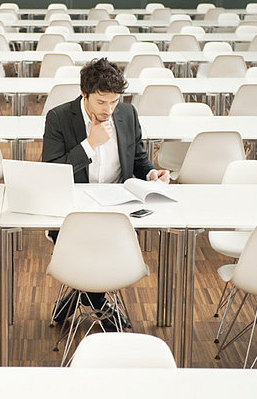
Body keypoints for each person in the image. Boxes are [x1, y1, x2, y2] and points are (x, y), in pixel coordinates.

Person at [42, 57, 170, 328]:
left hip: (117, 210)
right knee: (87, 250)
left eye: (114, 101)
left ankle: (81, 294)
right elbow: (51, 172)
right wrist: (89, 145)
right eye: (101, 102)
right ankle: (102, 305)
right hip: (72, 212)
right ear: (84, 94)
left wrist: (150, 173)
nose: (109, 109)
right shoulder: (59, 117)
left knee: (103, 249)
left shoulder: (127, 114)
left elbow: (138, 158)